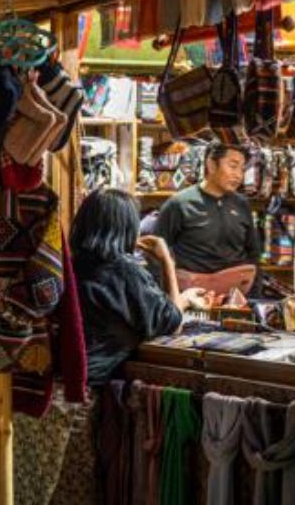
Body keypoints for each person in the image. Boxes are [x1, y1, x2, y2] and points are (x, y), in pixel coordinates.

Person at [71, 188, 206, 386]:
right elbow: (173, 324)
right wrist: (167, 261)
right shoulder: (124, 271)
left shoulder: (75, 264)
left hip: (66, 380)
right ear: (125, 228)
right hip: (94, 387)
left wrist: (184, 299)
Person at [152, 143, 262, 290]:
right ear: (211, 165)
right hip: (190, 295)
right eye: (233, 166)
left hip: (233, 296)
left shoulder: (241, 204)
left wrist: (254, 292)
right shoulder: (180, 204)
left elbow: (253, 253)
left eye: (242, 169)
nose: (238, 175)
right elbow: (157, 253)